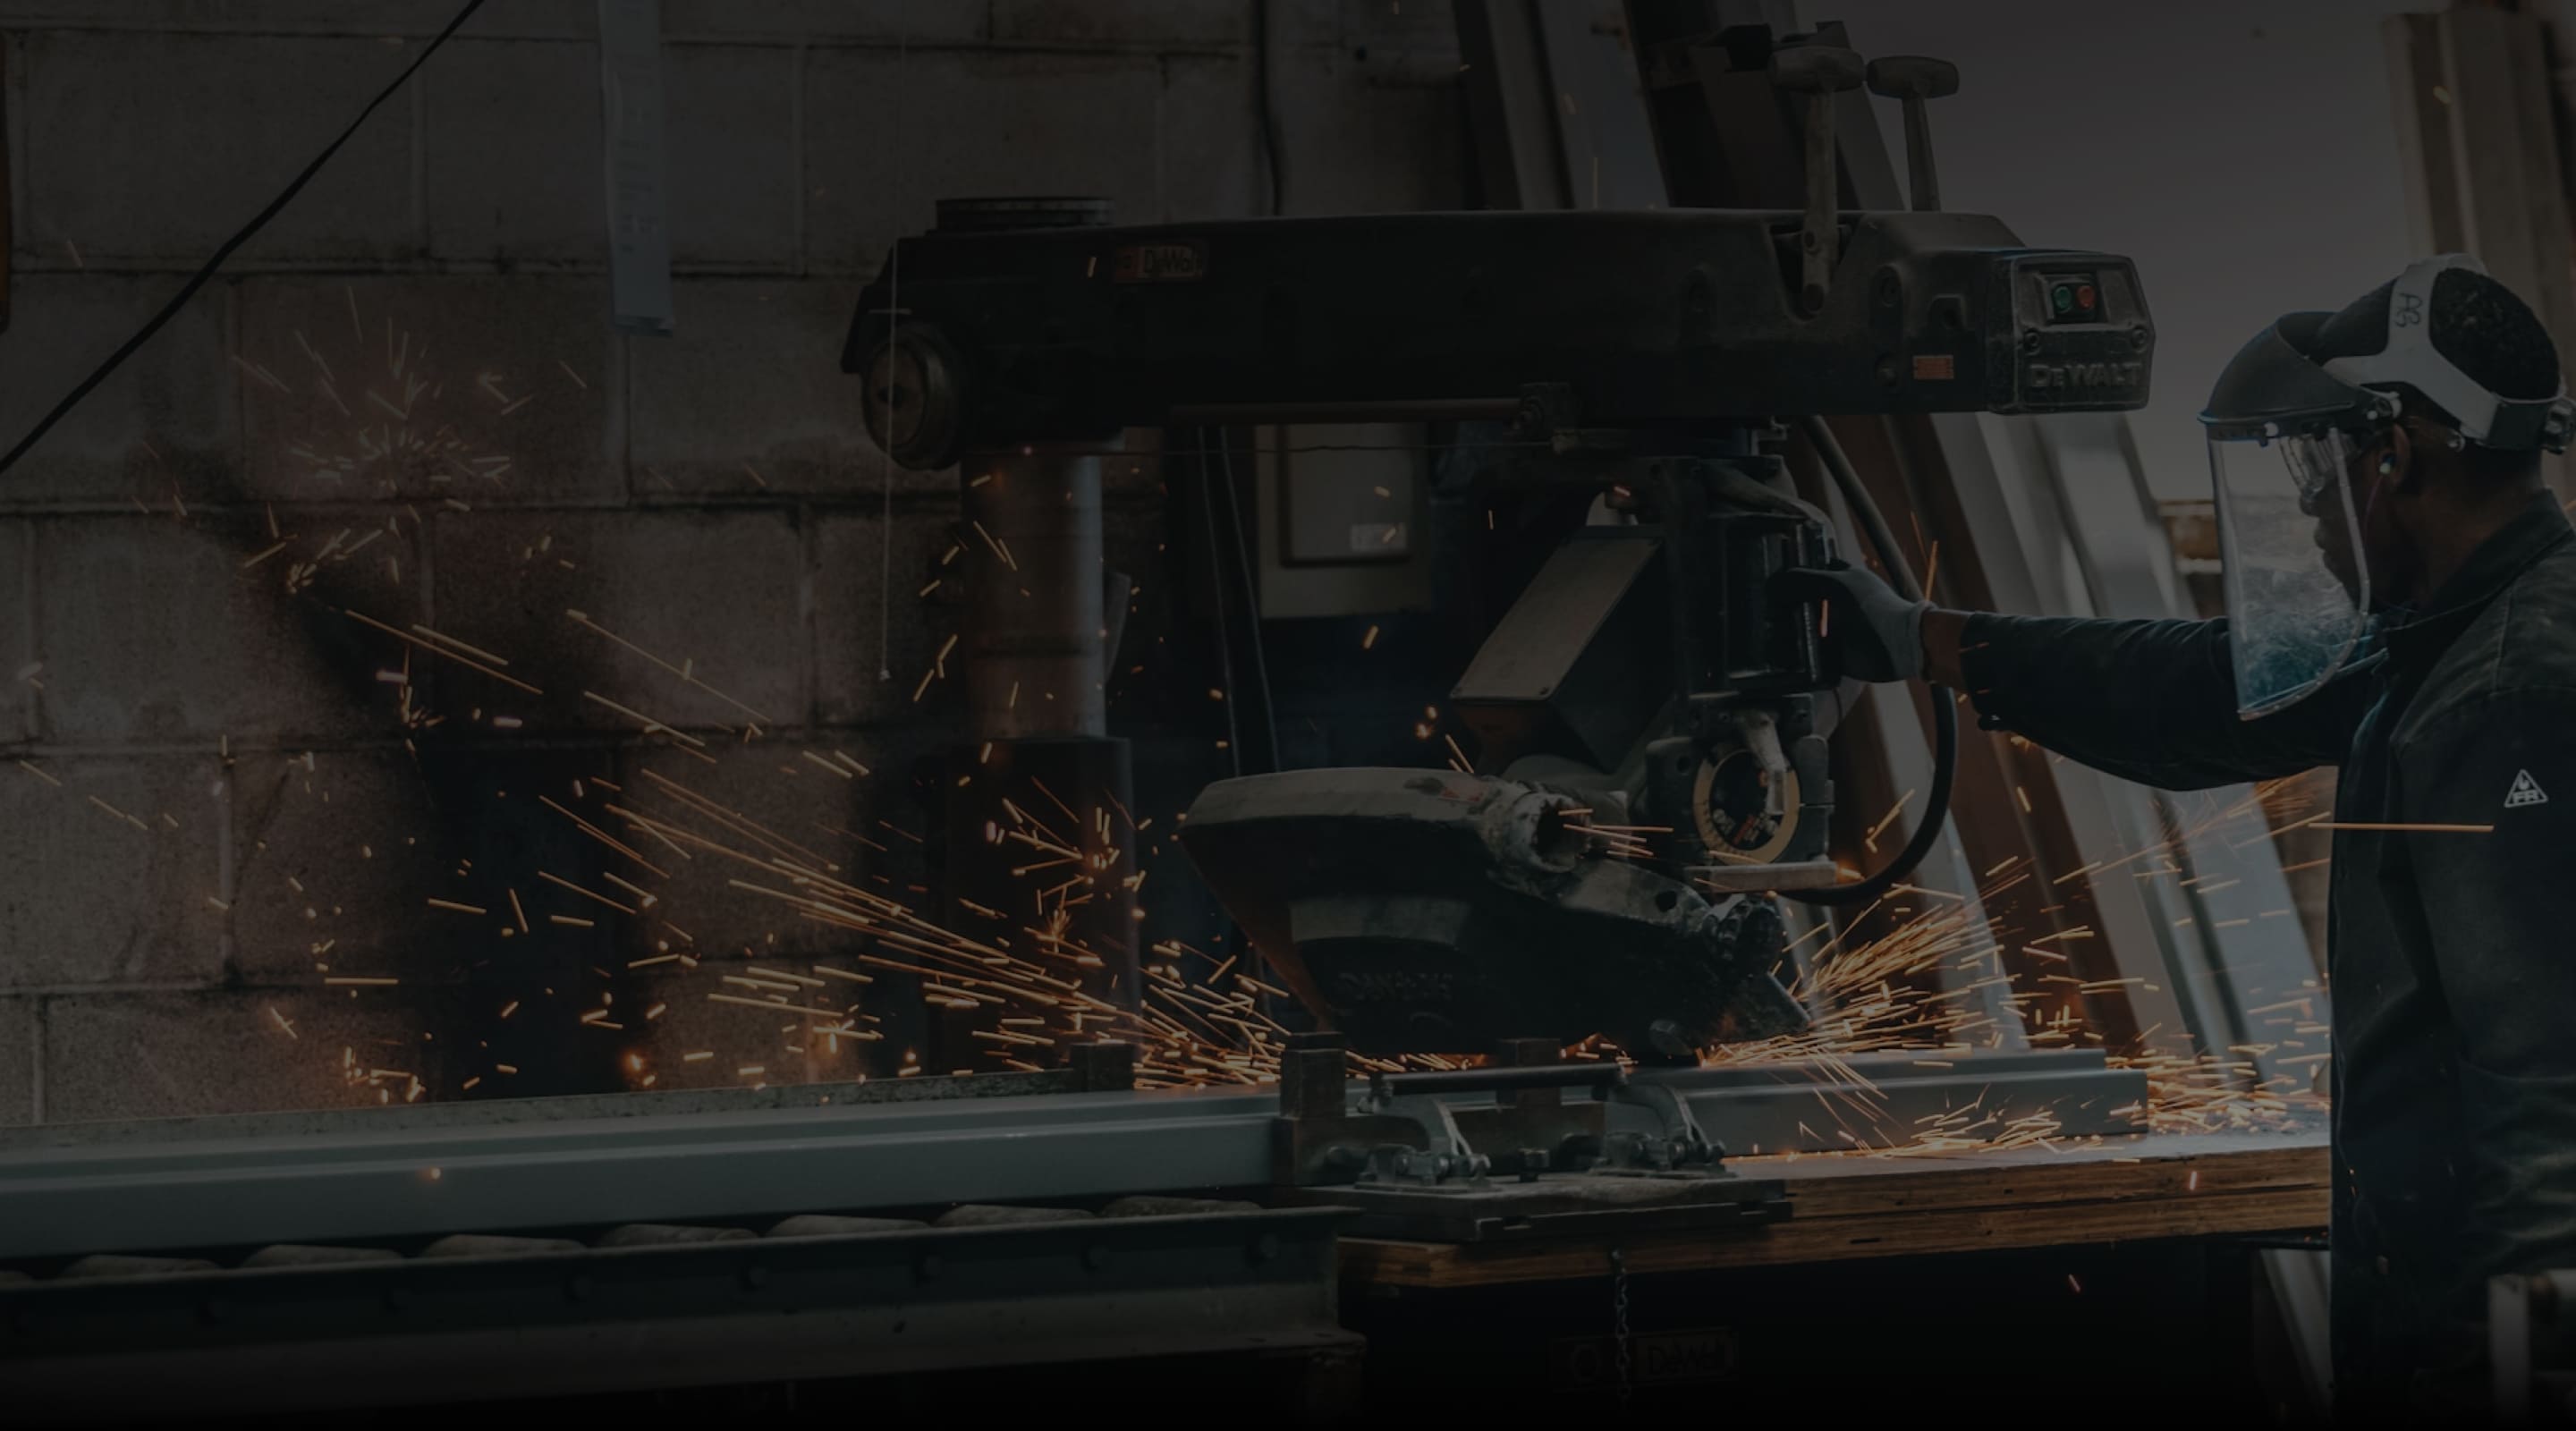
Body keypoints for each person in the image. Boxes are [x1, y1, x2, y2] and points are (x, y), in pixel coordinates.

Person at [1788, 254, 2576, 1420]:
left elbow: (2551, 1088)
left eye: (2321, 468)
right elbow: (2205, 695)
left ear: (2395, 454)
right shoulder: (2453, 640)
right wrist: (1928, 643)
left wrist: (2532, 1365)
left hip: (2497, 1338)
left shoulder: (2507, 695)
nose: (2309, 510)